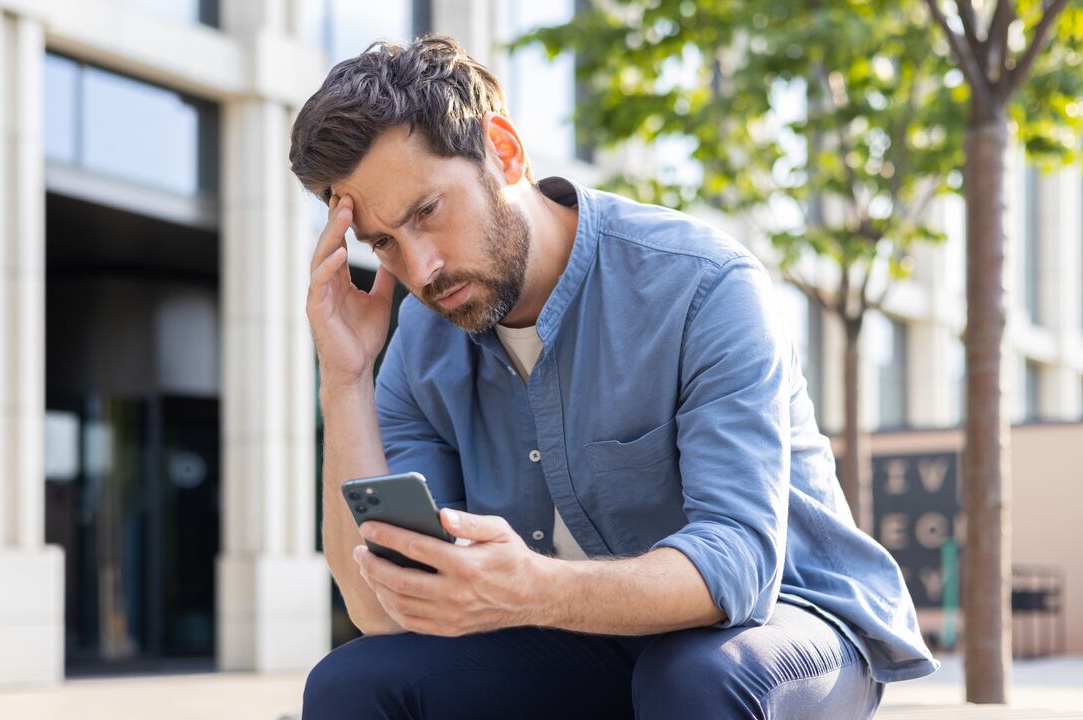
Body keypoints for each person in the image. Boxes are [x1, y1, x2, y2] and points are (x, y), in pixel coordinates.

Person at [293, 34, 937, 720]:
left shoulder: (702, 284)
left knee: (692, 679)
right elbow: (383, 611)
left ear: (504, 153)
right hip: (582, 640)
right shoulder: (422, 340)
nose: (420, 270)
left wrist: (531, 589)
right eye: (384, 243)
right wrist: (346, 377)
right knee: (352, 681)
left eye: (428, 212)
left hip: (786, 622)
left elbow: (740, 565)